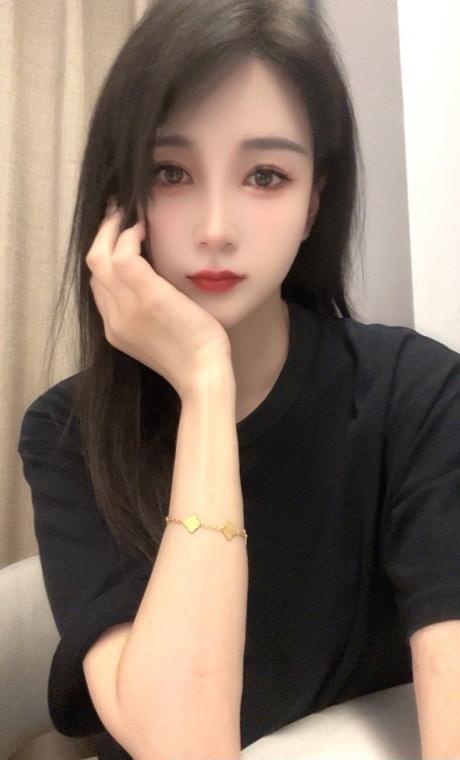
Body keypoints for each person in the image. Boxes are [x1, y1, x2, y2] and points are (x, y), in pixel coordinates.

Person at [17, 1, 460, 759]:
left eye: (265, 175)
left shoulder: (418, 395)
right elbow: (184, 746)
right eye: (171, 172)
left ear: (314, 202)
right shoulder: (68, 433)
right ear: (118, 200)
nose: (216, 227)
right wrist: (205, 383)